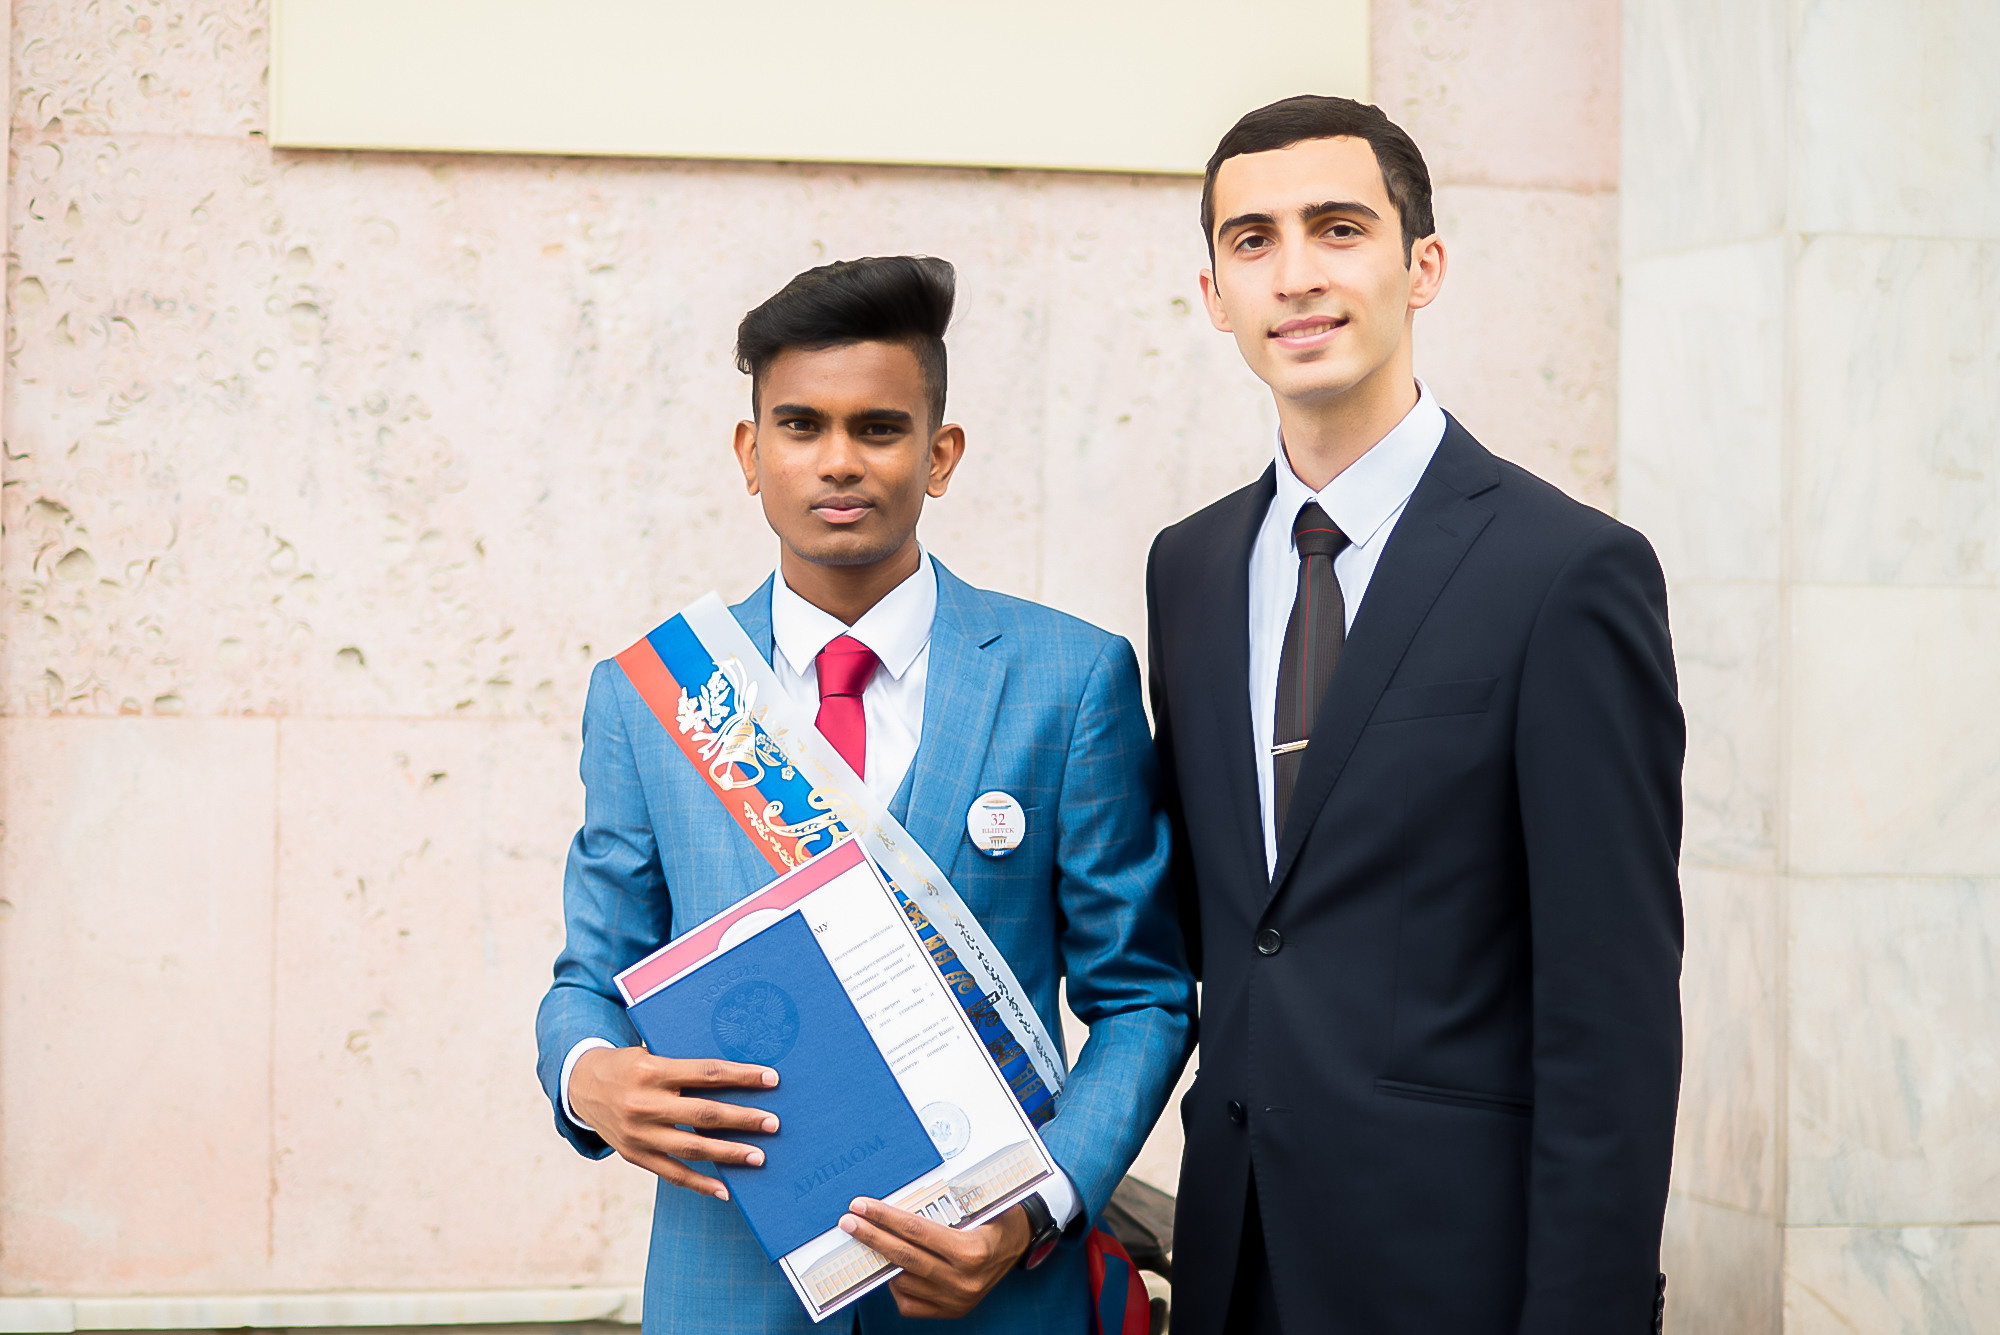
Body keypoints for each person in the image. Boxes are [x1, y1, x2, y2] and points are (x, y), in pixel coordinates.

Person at [535, 255, 1194, 1333]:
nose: (838, 462)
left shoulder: (1067, 681)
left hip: (993, 1289)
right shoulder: (652, 698)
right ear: (750, 456)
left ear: (939, 456)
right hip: (730, 1288)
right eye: (799, 426)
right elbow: (587, 979)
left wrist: (1034, 1212)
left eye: (878, 429)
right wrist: (589, 1074)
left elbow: (1141, 998)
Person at [1147, 96, 1684, 1333]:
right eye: (1252, 241)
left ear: (1420, 265)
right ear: (1214, 291)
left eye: (1337, 229)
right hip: (1231, 1265)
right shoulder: (1187, 568)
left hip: (1460, 1273)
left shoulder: (1565, 572)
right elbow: (1221, 930)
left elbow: (1610, 1010)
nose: (1296, 276)